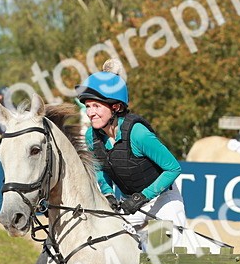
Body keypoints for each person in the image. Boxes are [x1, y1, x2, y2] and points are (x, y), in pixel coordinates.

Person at [77, 65, 197, 249]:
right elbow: (100, 169)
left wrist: (142, 197)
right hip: (130, 203)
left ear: (115, 107)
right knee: (109, 245)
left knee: (171, 258)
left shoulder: (138, 133)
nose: (90, 113)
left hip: (163, 199)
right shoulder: (91, 137)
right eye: (88, 107)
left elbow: (173, 168)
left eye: (96, 106)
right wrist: (108, 194)